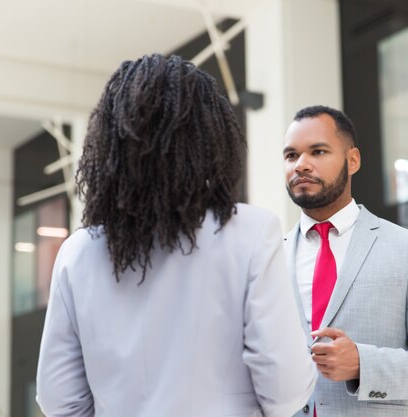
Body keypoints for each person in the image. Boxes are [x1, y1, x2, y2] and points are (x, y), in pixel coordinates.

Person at [35, 54, 316, 417]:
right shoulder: (251, 232)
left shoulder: (78, 252)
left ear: (111, 143)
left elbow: (59, 399)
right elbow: (285, 388)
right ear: (211, 138)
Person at [281, 105, 408, 417]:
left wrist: (362, 364)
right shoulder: (270, 256)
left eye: (318, 151)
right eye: (291, 155)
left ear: (352, 160)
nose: (301, 165)